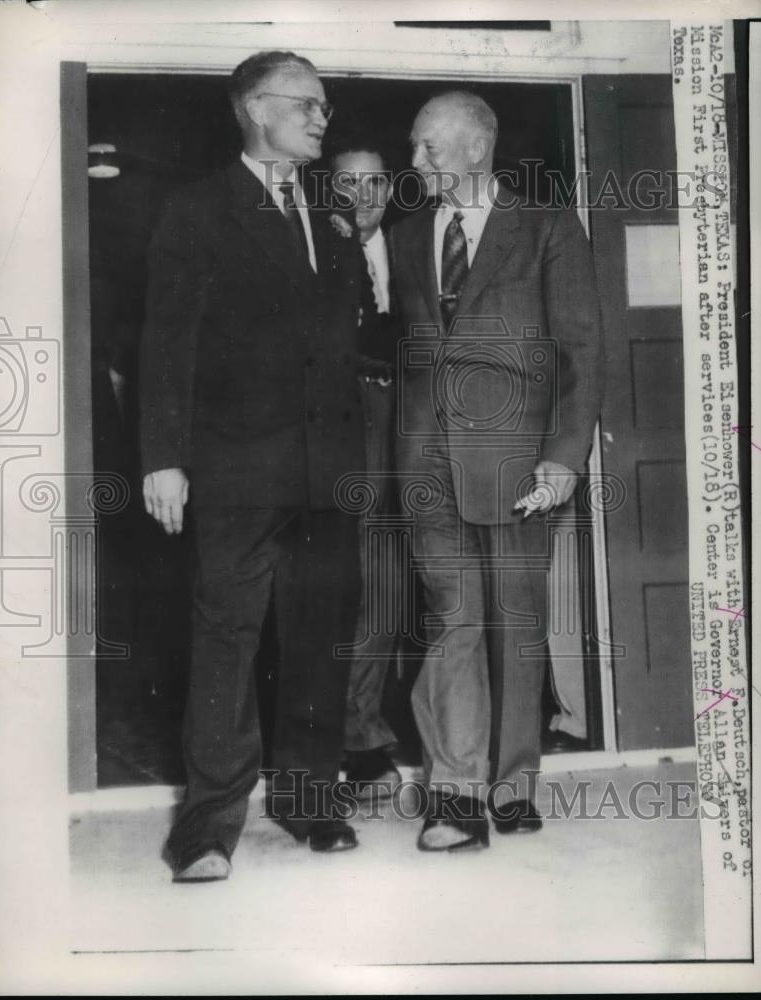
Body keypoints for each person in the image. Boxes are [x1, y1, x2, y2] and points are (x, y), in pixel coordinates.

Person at [139, 50, 369, 881]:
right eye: (306, 105)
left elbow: (349, 347)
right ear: (254, 109)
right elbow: (166, 344)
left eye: (324, 107)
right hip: (233, 470)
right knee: (226, 641)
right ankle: (205, 829)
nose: (321, 119)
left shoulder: (334, 218)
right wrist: (162, 458)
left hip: (326, 472)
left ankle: (311, 802)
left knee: (319, 640)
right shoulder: (196, 210)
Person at [392, 91, 604, 851]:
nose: (414, 163)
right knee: (450, 620)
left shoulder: (546, 227)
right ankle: (454, 794)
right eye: (414, 149)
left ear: (476, 149)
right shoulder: (408, 233)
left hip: (518, 462)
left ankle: (511, 785)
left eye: (428, 149)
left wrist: (562, 458)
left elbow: (580, 351)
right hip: (425, 461)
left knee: (513, 624)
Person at [328, 139, 402, 799]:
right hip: (337, 438)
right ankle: (344, 736)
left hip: (411, 431)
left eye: (375, 182)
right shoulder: (312, 251)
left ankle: (364, 730)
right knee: (336, 588)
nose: (363, 196)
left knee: (386, 587)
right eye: (348, 184)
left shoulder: (413, 250)